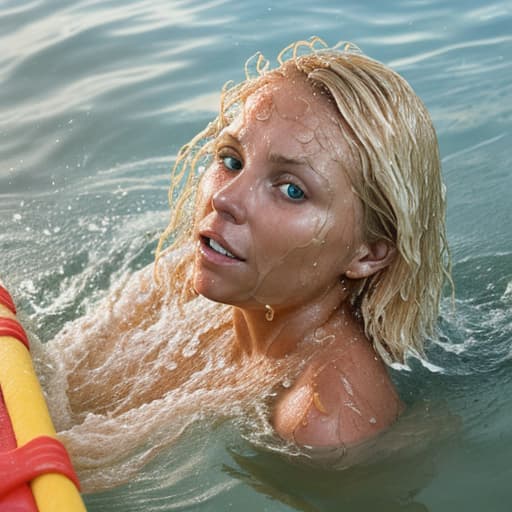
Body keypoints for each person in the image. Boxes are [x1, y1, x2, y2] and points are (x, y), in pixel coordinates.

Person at [35, 37, 450, 490]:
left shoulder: (326, 424)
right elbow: (53, 371)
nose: (224, 197)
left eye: (291, 189)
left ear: (367, 253)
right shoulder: (197, 270)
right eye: (232, 159)